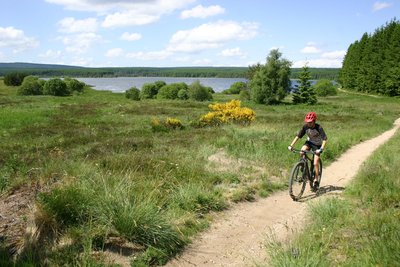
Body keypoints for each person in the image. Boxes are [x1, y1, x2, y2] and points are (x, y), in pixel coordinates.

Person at [288, 112, 327, 191]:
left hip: (318, 145)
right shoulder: (305, 127)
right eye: (307, 122)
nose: (308, 124)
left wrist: (321, 148)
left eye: (310, 122)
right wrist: (291, 145)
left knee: (315, 162)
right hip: (309, 142)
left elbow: (325, 139)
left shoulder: (318, 127)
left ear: (314, 121)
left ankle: (316, 180)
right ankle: (303, 167)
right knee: (302, 151)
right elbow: (298, 136)